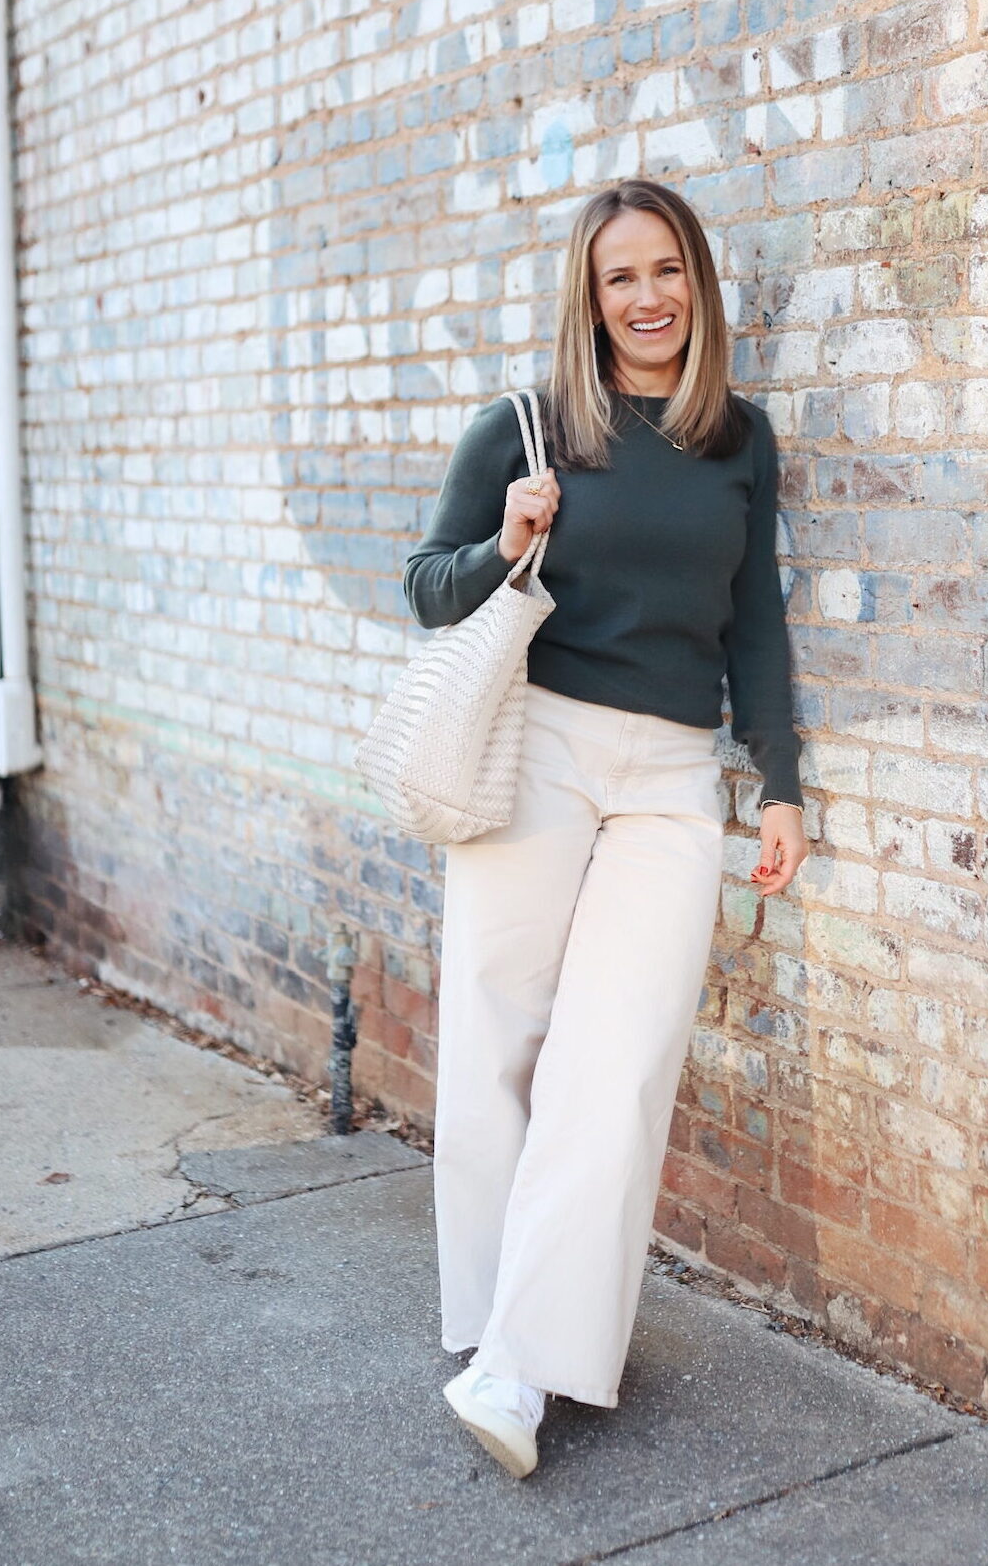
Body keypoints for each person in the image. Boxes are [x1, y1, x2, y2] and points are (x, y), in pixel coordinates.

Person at [402, 177, 807, 1478]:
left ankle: (522, 1365)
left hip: (674, 776)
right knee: (501, 1042)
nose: (649, 298)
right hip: (542, 747)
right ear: (589, 294)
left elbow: (757, 624)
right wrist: (506, 541)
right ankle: (495, 1335)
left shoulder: (738, 438)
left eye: (668, 271)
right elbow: (428, 588)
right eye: (621, 276)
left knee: (619, 1065)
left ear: (699, 282)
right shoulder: (525, 430)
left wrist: (782, 781)